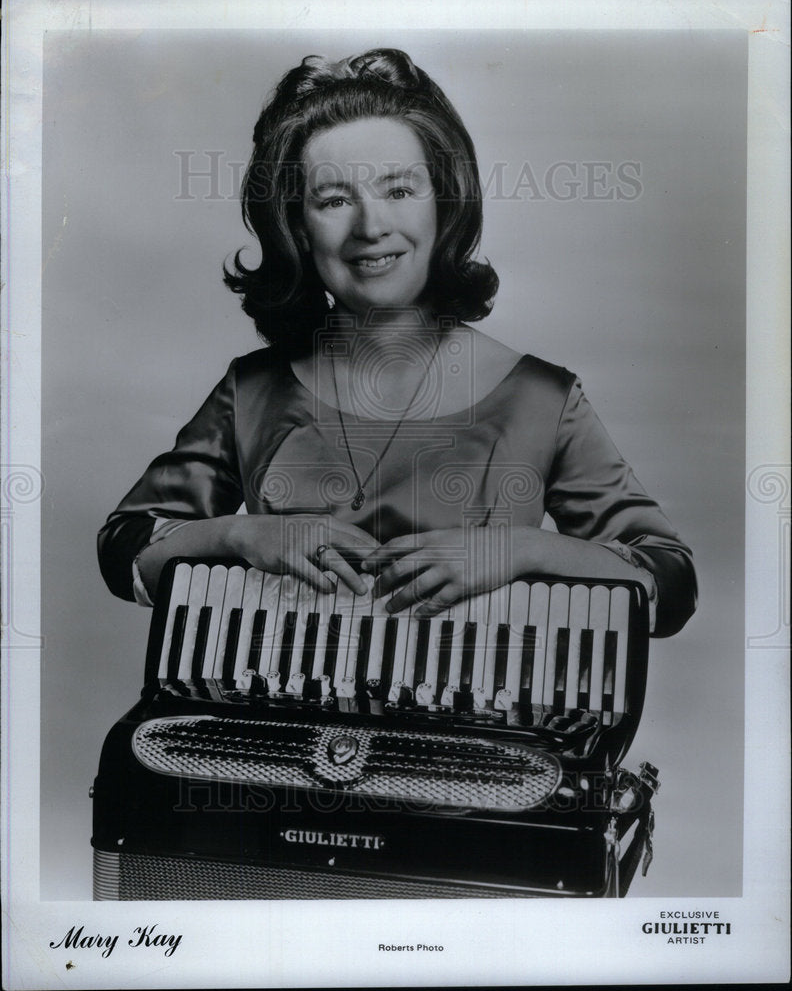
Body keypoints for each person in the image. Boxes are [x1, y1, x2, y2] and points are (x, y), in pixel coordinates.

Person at [97, 47, 696, 639]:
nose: (371, 226)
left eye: (400, 191)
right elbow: (125, 548)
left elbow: (669, 581)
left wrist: (522, 551)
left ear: (445, 204)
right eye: (333, 200)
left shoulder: (542, 398)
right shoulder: (251, 390)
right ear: (296, 228)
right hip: (279, 726)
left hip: (477, 724)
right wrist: (240, 535)